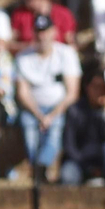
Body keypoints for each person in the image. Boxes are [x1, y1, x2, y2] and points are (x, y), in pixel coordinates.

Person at [14, 12, 78, 184]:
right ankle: (37, 169)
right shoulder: (23, 58)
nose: (42, 36)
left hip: (58, 107)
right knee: (29, 130)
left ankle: (41, 167)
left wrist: (51, 115)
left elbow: (72, 92)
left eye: (45, 31)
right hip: (32, 109)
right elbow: (22, 93)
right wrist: (40, 115)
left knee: (55, 131)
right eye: (38, 31)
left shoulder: (66, 53)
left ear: (54, 32)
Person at [62, 67, 105, 185]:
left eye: (104, 88)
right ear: (87, 87)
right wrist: (87, 168)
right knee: (67, 175)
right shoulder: (75, 110)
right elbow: (69, 144)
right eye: (96, 87)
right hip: (81, 162)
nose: (100, 91)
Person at [9, 0, 75, 48]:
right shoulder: (20, 14)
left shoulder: (63, 14)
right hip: (27, 54)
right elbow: (11, 43)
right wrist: (33, 47)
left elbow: (70, 43)